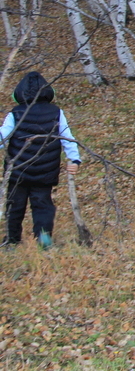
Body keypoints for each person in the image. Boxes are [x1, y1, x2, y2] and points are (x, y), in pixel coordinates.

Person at [1, 71, 80, 248]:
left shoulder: (15, 113)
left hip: (17, 171)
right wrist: (74, 160)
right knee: (43, 206)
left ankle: (12, 240)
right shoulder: (56, 112)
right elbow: (67, 137)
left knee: (14, 206)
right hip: (45, 173)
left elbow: (3, 137)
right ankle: (44, 240)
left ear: (18, 93)